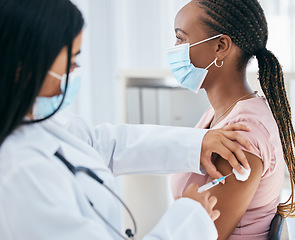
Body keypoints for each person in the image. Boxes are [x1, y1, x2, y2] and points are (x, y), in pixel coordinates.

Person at [0, 0, 253, 239]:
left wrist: (196, 144)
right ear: (25, 65)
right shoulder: (20, 172)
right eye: (72, 60)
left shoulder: (40, 125)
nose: (75, 71)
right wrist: (189, 220)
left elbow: (105, 144)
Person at [169, 0, 295, 239]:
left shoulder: (242, 133)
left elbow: (207, 234)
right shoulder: (220, 113)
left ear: (220, 46)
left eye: (181, 38)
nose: (174, 48)